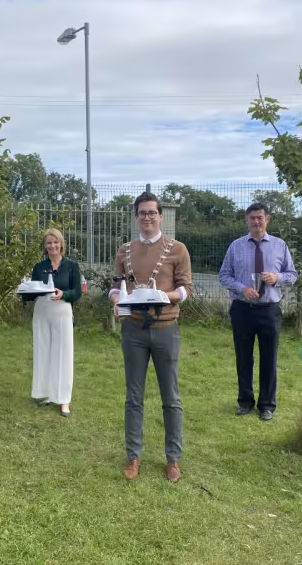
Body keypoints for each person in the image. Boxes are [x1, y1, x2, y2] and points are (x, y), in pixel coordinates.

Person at [109, 192, 194, 482]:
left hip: (165, 329)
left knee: (171, 397)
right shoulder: (124, 250)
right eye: (141, 213)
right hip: (132, 330)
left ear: (160, 216)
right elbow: (115, 285)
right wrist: (115, 300)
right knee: (134, 396)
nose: (147, 217)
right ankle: (133, 456)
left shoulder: (177, 249)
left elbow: (186, 289)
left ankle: (173, 458)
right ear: (136, 217)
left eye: (151, 213)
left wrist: (164, 296)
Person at [219, 202, 298, 421]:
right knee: (243, 358)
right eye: (252, 218)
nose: (256, 221)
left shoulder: (280, 245)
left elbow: (292, 274)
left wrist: (277, 278)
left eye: (260, 217)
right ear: (246, 220)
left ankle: (267, 405)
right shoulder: (235, 246)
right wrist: (241, 288)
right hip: (242, 309)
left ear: (267, 219)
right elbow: (224, 275)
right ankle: (244, 401)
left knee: (269, 358)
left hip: (269, 310)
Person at [30, 228, 81, 417]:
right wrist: (25, 292)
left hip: (62, 309)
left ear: (61, 244)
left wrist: (64, 294)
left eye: (55, 242)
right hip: (42, 310)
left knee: (63, 352)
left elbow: (77, 292)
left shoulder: (71, 266)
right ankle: (47, 393)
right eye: (48, 243)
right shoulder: (39, 267)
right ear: (45, 246)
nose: (52, 246)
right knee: (44, 350)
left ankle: (64, 399)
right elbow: (33, 289)